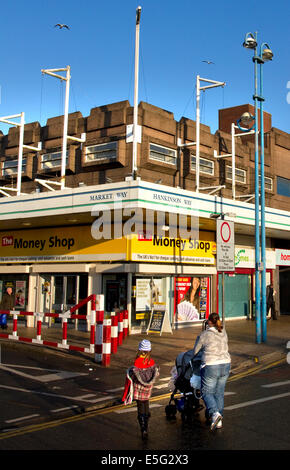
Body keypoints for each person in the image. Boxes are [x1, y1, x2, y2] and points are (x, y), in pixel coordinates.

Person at [192, 312, 231, 431]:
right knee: (219, 393)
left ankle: (215, 413)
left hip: (211, 365)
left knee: (206, 392)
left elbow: (195, 351)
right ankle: (218, 419)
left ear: (209, 322)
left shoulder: (205, 334)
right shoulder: (223, 331)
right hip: (226, 364)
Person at [122, 339, 159, 440]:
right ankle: (146, 421)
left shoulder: (137, 362)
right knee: (146, 403)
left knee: (140, 406)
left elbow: (133, 376)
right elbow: (156, 374)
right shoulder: (151, 362)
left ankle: (143, 428)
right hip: (148, 388)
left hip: (139, 387)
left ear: (140, 350)